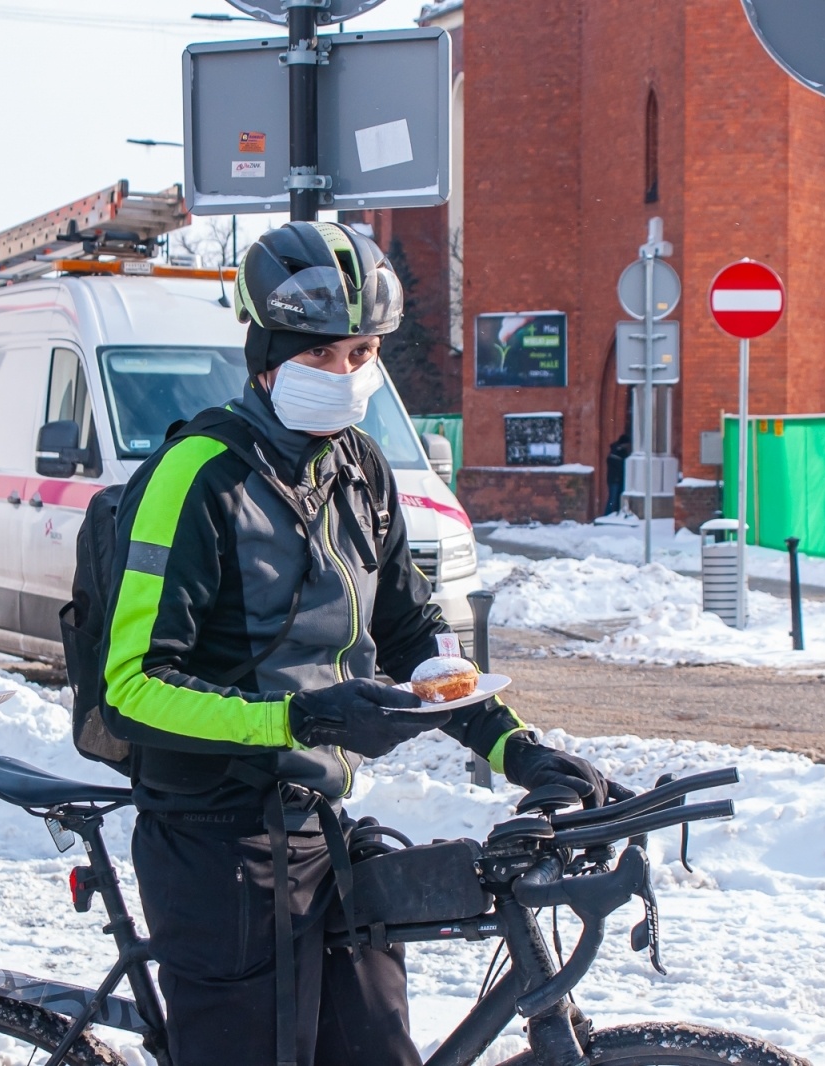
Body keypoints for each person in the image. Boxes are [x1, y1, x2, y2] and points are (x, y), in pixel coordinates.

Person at [101, 221, 614, 1066]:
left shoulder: (359, 468)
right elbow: (133, 688)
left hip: (317, 826)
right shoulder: (197, 477)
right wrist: (305, 719)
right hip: (214, 843)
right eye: (324, 356)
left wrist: (514, 747)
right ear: (267, 358)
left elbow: (411, 634)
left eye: (363, 352)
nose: (348, 375)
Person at [604, 431, 632, 515]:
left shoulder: (616, 451)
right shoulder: (618, 452)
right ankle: (607, 515)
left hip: (615, 479)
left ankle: (611, 514)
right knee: (613, 499)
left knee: (614, 499)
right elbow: (619, 466)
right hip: (615, 480)